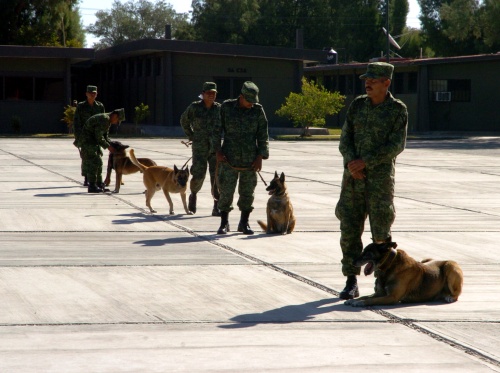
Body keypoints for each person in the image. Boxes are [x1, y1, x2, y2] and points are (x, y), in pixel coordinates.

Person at [335, 62, 408, 300]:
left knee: (380, 235)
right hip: (353, 181)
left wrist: (365, 161)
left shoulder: (398, 110)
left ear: (386, 82)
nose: (368, 83)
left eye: (373, 80)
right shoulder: (357, 106)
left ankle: (383, 282)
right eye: (367, 79)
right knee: (349, 230)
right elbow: (345, 139)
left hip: (379, 182)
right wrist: (351, 163)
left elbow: (396, 145)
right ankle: (350, 281)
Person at [213, 81, 269, 235]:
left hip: (250, 160)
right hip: (228, 159)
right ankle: (224, 223)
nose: (251, 104)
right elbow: (216, 130)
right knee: (226, 191)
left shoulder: (258, 111)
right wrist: (217, 151)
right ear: (242, 96)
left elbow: (263, 135)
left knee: (247, 193)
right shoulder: (226, 107)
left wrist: (260, 156)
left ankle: (244, 223)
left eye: (253, 101)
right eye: (249, 101)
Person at [180, 82, 221, 216]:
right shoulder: (194, 107)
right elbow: (184, 120)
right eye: (208, 93)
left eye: (213, 93)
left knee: (216, 177)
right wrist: (191, 135)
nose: (211, 96)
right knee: (198, 174)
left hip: (215, 148)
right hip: (199, 148)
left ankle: (217, 205)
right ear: (202, 94)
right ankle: (193, 195)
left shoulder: (219, 109)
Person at [80, 109, 125, 193]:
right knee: (93, 163)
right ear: (115, 116)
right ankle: (92, 186)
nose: (116, 123)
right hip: (88, 142)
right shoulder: (104, 119)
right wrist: (108, 146)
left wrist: (111, 144)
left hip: (93, 143)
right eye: (117, 120)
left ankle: (99, 184)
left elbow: (105, 137)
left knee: (99, 163)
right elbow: (98, 136)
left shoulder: (107, 121)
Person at [73, 85, 105, 186]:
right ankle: (87, 177)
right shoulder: (81, 106)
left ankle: (96, 178)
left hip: (96, 136)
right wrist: (78, 137)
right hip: (85, 136)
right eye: (91, 93)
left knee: (97, 157)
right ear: (86, 94)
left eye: (94, 93)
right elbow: (76, 122)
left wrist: (103, 135)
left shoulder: (99, 106)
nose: (92, 95)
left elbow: (103, 121)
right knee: (86, 157)